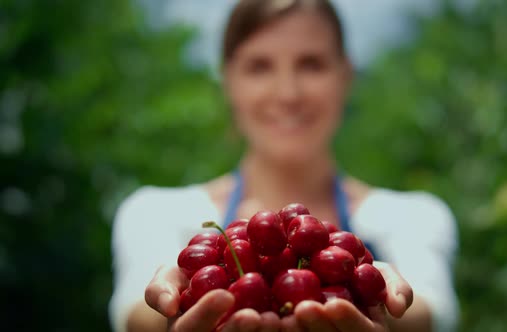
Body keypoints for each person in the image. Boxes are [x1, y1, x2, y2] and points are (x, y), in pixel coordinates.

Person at [108, 0, 459, 331]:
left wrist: (383, 304)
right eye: (259, 67)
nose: (288, 93)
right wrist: (170, 314)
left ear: (345, 76)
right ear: (228, 81)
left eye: (311, 64)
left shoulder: (412, 216)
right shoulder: (156, 212)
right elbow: (135, 314)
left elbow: (430, 313)